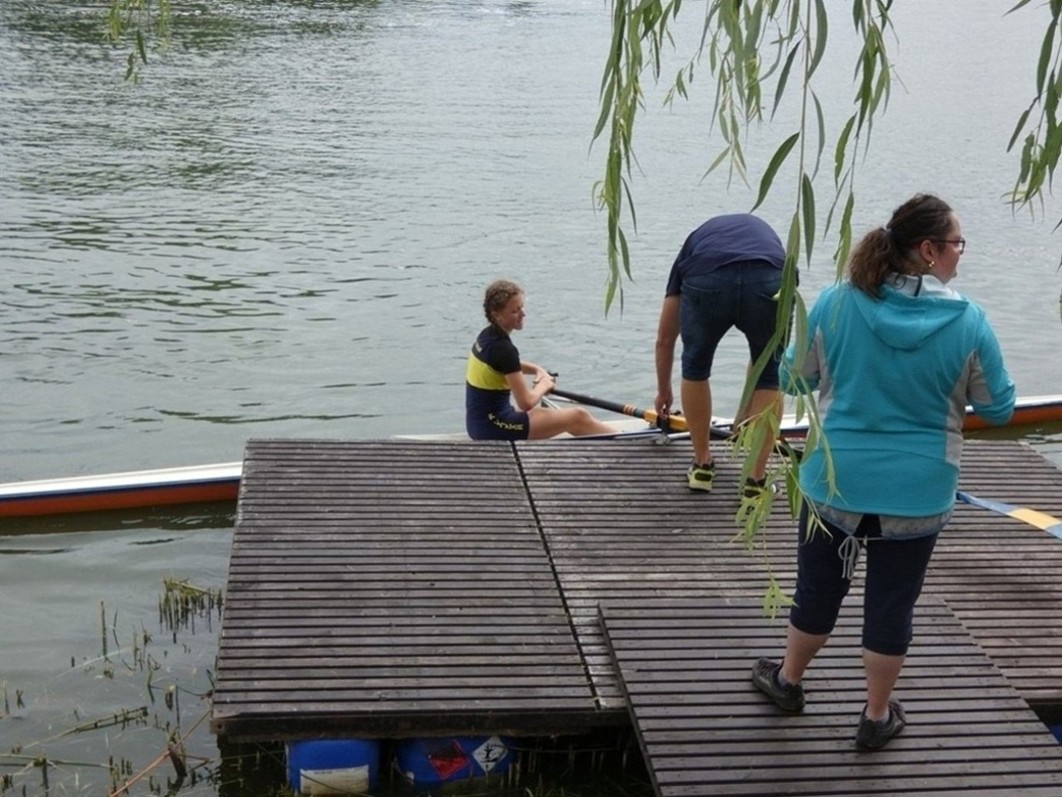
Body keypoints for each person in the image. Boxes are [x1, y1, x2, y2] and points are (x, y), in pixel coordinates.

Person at [750, 194, 1016, 750]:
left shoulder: (836, 303)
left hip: (835, 482)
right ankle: (874, 716)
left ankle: (789, 681)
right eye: (958, 244)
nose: (961, 253)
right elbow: (998, 410)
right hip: (918, 492)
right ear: (929, 250)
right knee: (893, 603)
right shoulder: (969, 322)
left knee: (817, 588)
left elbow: (793, 378)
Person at [654, 213, 790, 493]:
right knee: (769, 371)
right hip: (770, 276)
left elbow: (665, 339)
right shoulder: (764, 237)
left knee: (696, 365)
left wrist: (663, 391)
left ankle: (702, 465)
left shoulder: (692, 249)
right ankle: (756, 480)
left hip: (707, 277)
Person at [465, 279, 616, 441]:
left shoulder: (487, 336)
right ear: (496, 315)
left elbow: (506, 365)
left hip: (478, 424)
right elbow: (526, 403)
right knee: (577, 416)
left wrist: (537, 370)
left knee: (545, 414)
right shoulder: (504, 349)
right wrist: (544, 385)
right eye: (515, 311)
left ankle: (614, 438)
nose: (523, 314)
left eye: (522, 307)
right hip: (494, 428)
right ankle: (625, 442)